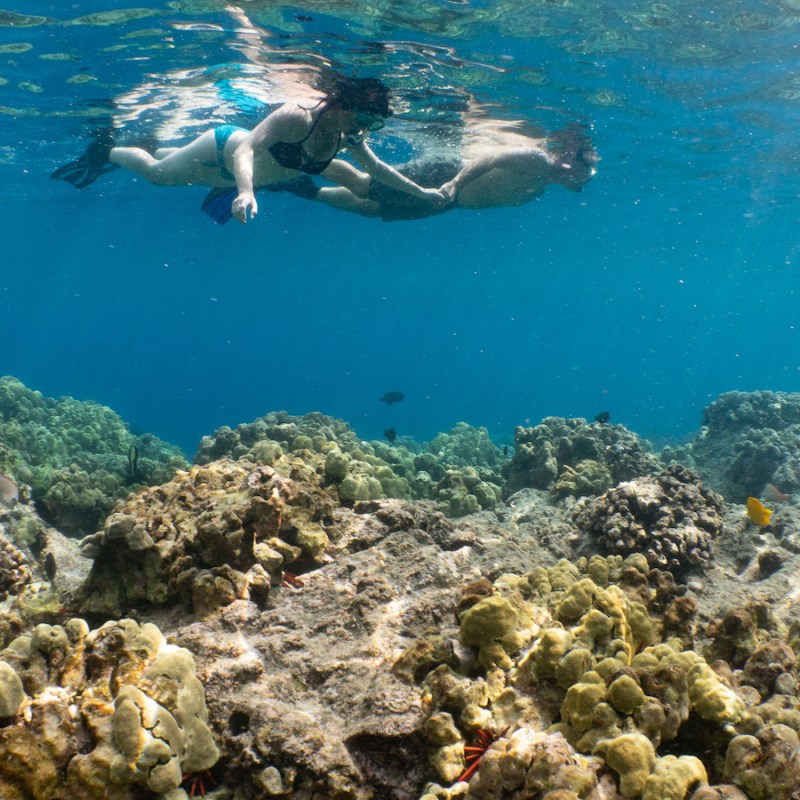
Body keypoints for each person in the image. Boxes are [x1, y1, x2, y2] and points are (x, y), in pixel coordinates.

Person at [51, 72, 446, 224]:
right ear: (344, 105)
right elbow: (246, 151)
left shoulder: (350, 134)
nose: (366, 129)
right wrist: (245, 191)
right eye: (364, 119)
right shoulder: (299, 116)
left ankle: (154, 146)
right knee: (158, 176)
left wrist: (421, 192)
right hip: (224, 148)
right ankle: (106, 150)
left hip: (251, 177)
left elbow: (376, 170)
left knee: (172, 170)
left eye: (374, 124)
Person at [276, 122, 598, 221]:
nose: (587, 177)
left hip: (449, 202)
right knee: (364, 186)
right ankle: (291, 156)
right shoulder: (537, 160)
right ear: (570, 159)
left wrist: (454, 197)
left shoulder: (539, 187)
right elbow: (489, 159)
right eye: (585, 168)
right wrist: (454, 184)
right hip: (447, 177)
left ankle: (300, 186)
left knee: (372, 209)